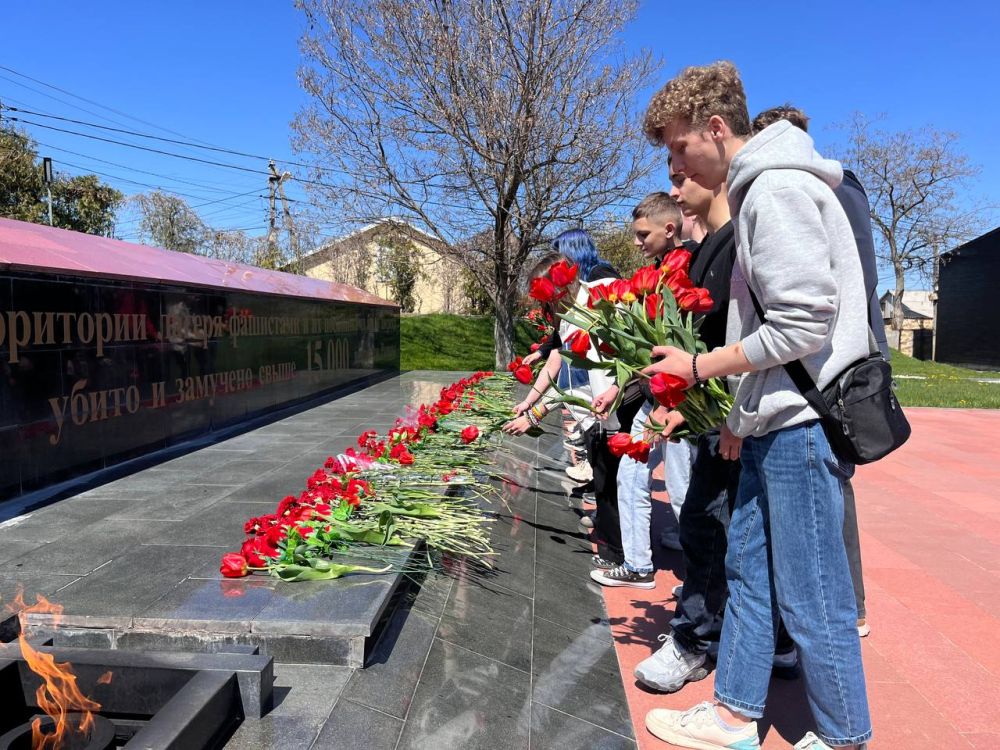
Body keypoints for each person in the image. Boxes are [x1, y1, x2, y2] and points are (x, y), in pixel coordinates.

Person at [640, 62, 872, 750]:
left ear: (716, 130)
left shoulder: (774, 190)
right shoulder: (762, 190)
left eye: (679, 147)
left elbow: (803, 322)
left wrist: (698, 366)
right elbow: (763, 324)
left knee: (813, 596)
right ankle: (736, 712)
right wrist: (740, 419)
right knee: (749, 574)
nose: (674, 164)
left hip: (801, 428)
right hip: (771, 422)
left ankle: (842, 736)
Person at [751, 105, 882, 637]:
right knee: (836, 488)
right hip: (855, 356)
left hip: (824, 370)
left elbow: (807, 307)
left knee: (819, 497)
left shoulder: (795, 189)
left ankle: (838, 612)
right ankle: (852, 607)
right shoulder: (846, 188)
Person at [504, 231, 629, 567]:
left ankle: (619, 556)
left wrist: (534, 414)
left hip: (609, 406)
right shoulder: (570, 312)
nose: (544, 304)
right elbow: (557, 361)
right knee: (603, 481)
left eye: (545, 296)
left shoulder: (596, 304)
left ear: (562, 283)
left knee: (611, 485)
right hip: (591, 407)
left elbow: (587, 378)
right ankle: (615, 544)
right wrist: (530, 401)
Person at [590, 193, 685, 589]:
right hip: (652, 394)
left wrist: (676, 401)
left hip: (682, 400)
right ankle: (638, 564)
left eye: (642, 233)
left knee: (684, 490)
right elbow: (641, 346)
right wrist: (617, 387)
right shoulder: (658, 272)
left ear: (669, 228)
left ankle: (708, 582)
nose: (636, 242)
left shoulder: (686, 267)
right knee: (631, 474)